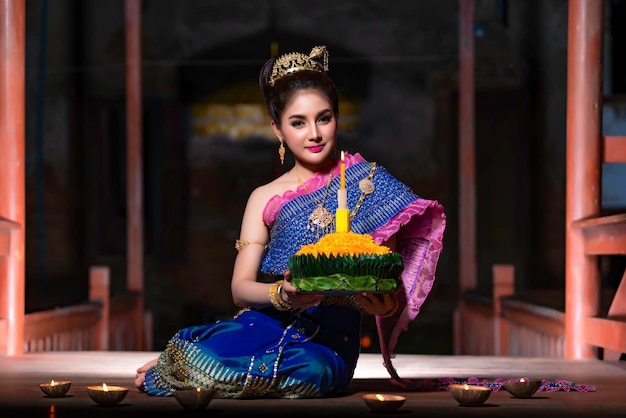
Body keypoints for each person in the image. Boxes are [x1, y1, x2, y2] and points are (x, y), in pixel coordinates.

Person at [135, 45, 446, 398]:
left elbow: (383, 282)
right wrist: (281, 293)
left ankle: (201, 374)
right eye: (298, 123)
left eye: (324, 118)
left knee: (312, 371)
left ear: (337, 118)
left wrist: (383, 303)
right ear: (278, 130)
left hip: (328, 344)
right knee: (200, 350)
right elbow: (240, 288)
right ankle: (194, 366)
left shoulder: (370, 185)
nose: (314, 133)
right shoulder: (264, 197)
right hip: (264, 323)